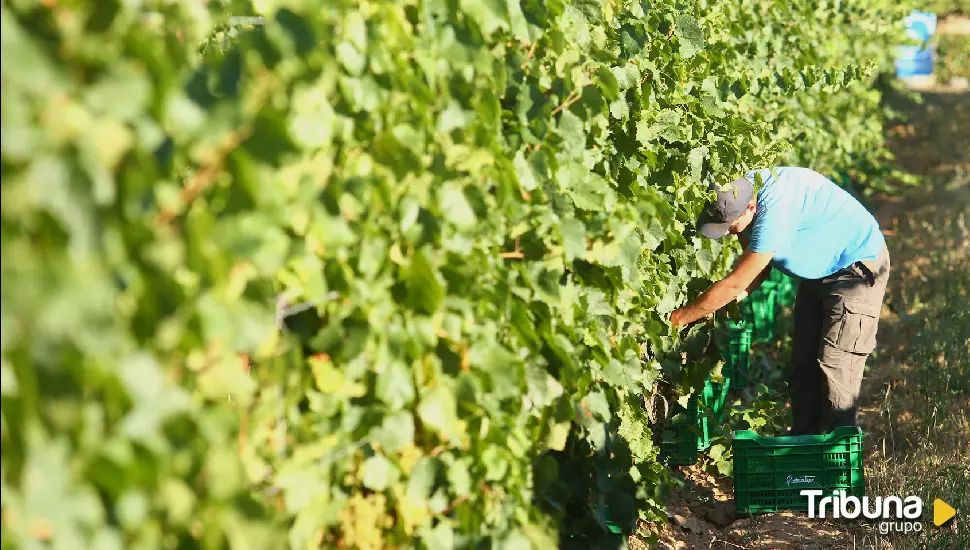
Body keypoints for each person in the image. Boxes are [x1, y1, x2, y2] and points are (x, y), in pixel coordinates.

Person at [669, 167, 890, 436]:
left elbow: (737, 282)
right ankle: (805, 449)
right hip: (819, 269)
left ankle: (836, 455)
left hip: (855, 266)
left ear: (751, 208)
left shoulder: (775, 212)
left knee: (836, 364)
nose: (726, 233)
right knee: (804, 367)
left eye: (729, 226)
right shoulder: (738, 192)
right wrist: (718, 307)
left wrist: (677, 320)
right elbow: (757, 271)